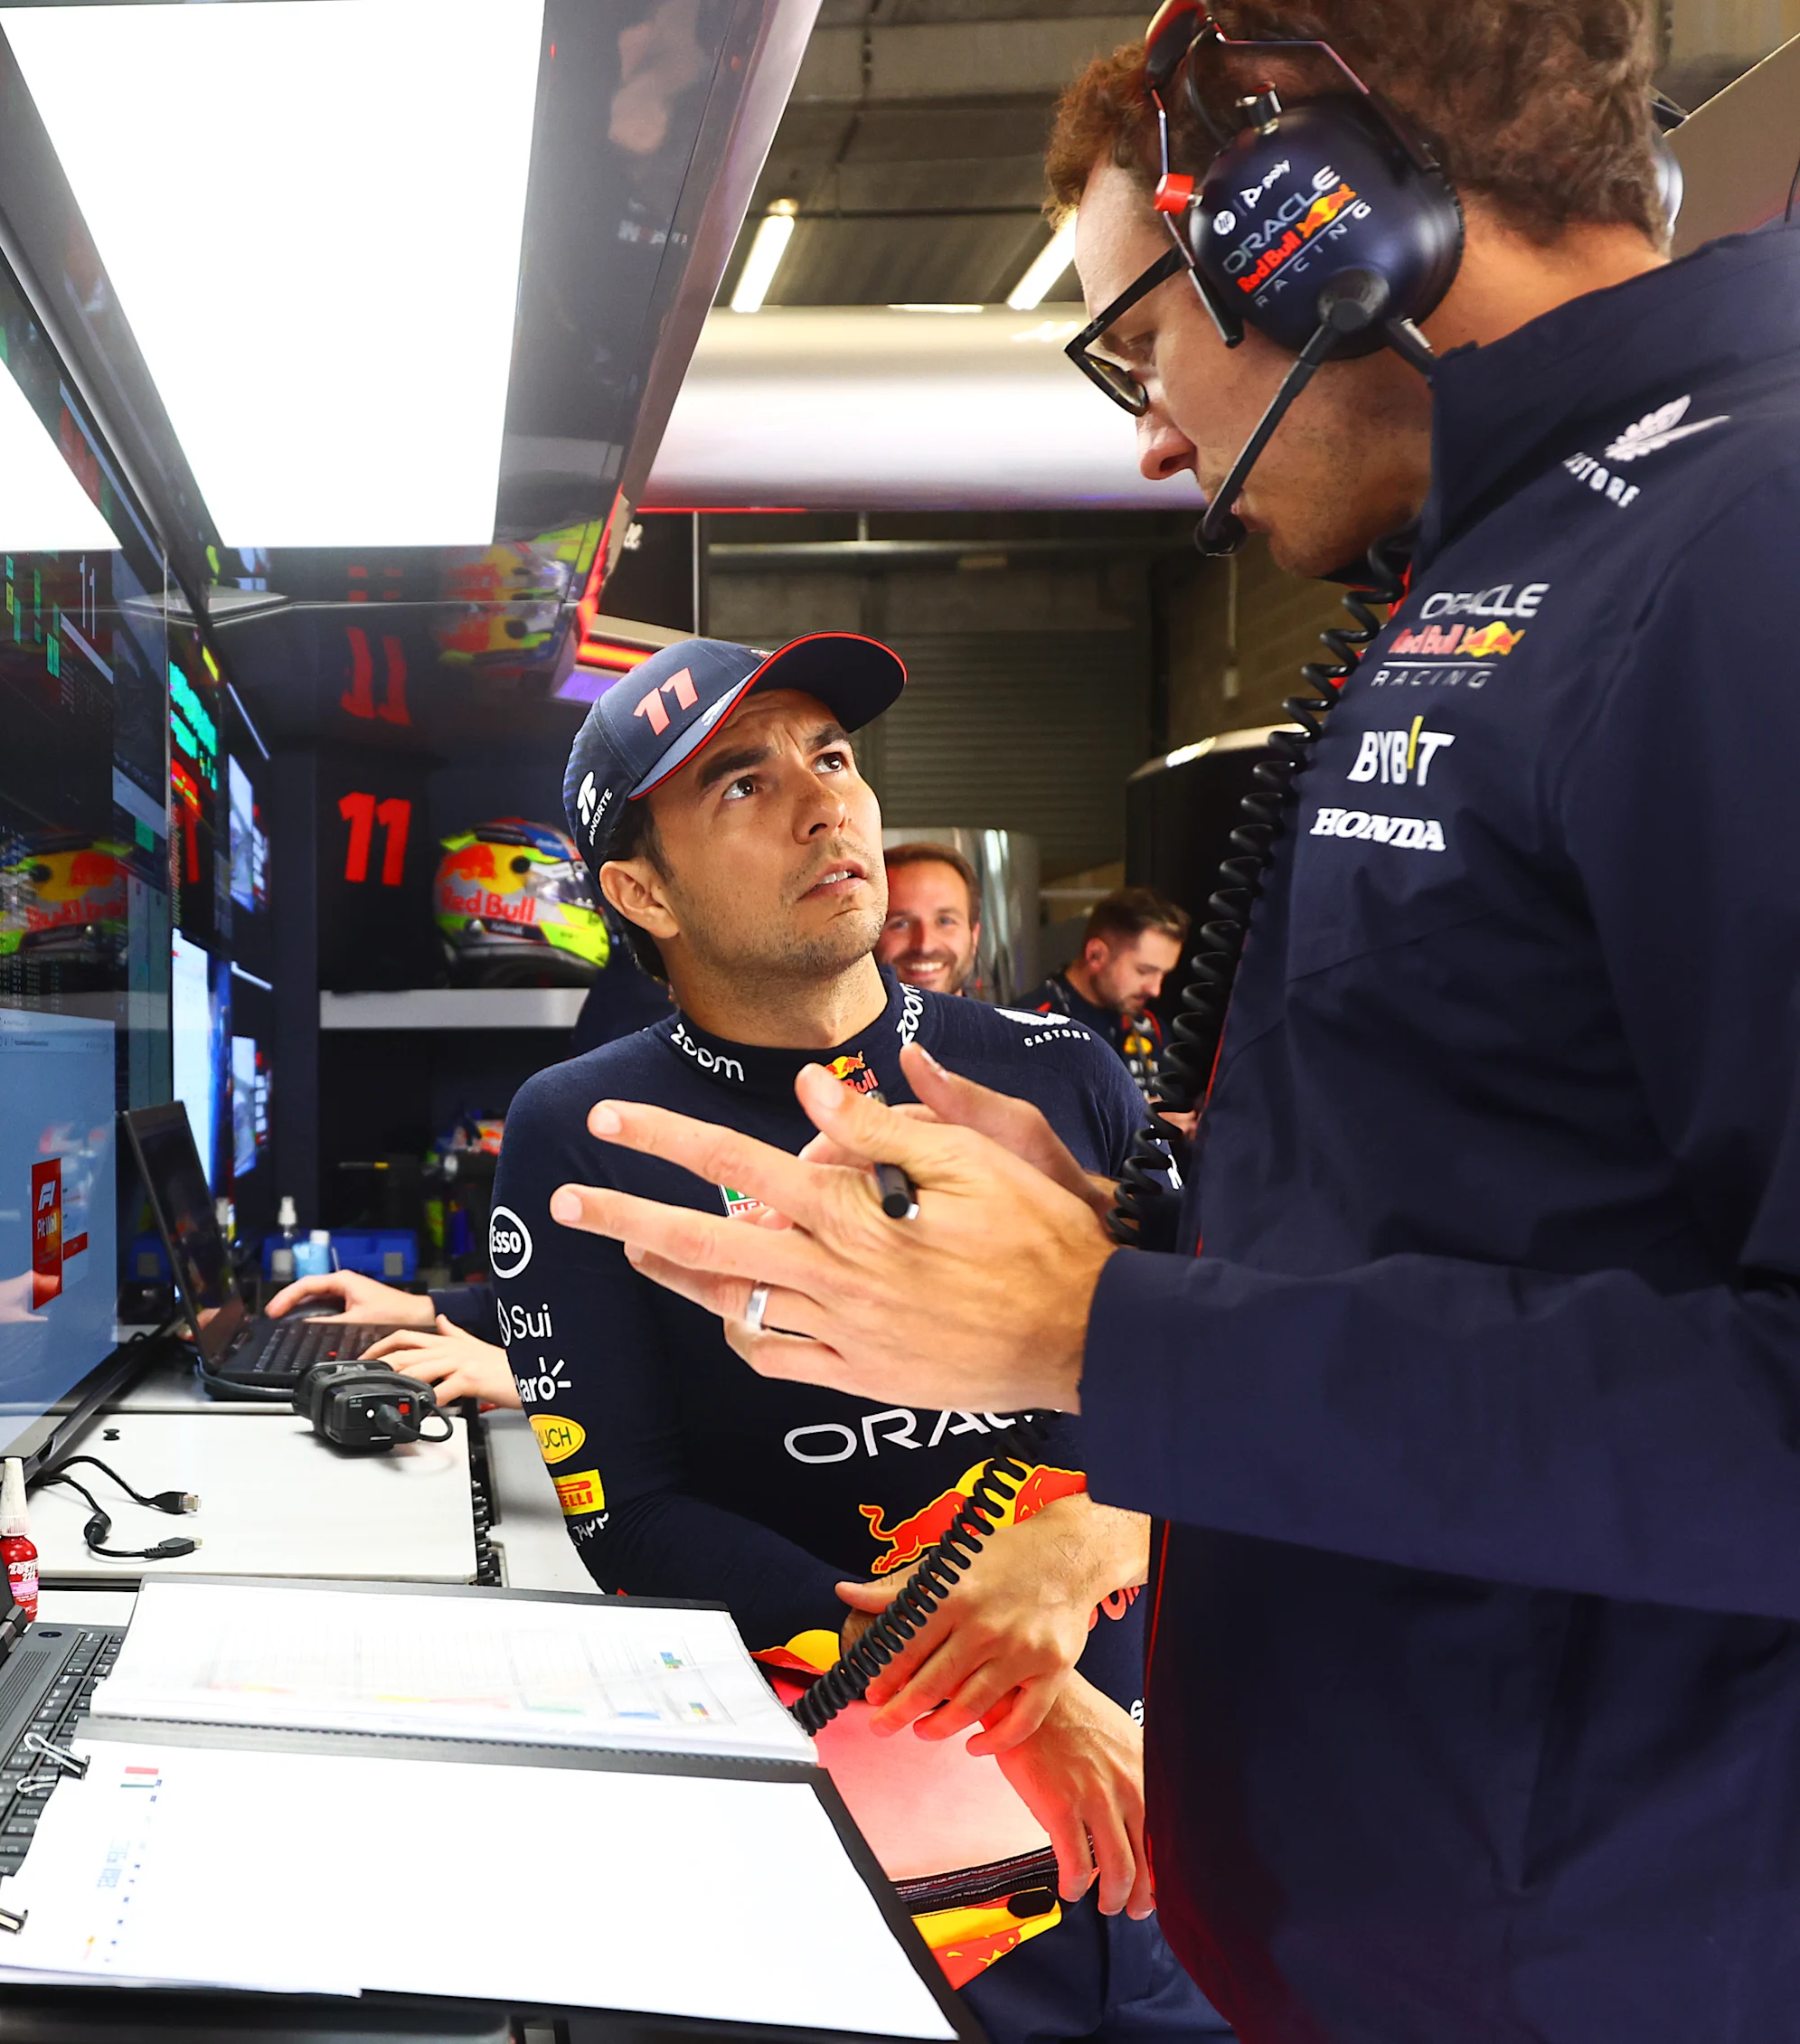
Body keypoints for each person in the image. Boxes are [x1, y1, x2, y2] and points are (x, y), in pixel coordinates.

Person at [542, 6, 1800, 2034]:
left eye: (1140, 340)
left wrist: (1100, 1328)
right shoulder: (1510, 569)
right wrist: (1146, 1221)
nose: (1147, 428)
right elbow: (1531, 1202)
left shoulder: (1743, 552)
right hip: (1394, 1919)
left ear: (1319, 224)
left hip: (1601, 1946)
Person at [495, 632, 1221, 2039]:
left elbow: (1236, 1397)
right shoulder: (580, 1126)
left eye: (831, 756)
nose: (825, 802)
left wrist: (1087, 1547)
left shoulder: (1055, 1071)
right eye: (742, 786)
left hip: (1167, 1802)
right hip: (875, 1857)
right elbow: (632, 1520)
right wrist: (1022, 1701)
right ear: (641, 889)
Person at [1024, 889, 1183, 1102]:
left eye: (1164, 974)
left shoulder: (1153, 1028)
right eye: (1144, 971)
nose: (1155, 990)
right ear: (1096, 955)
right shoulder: (1028, 1022)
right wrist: (1133, 1119)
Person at [878, 842, 984, 996]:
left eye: (945, 921)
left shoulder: (1007, 1021)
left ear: (974, 936)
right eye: (900, 924)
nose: (925, 945)